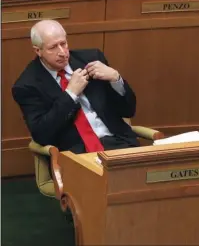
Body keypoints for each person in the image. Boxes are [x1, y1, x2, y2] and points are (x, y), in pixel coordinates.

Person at [12, 19, 140, 153]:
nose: (62, 52)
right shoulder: (27, 85)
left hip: (118, 143)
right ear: (38, 51)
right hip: (75, 154)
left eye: (63, 43)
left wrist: (116, 78)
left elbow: (128, 110)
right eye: (53, 47)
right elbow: (42, 135)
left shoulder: (91, 60)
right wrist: (70, 94)